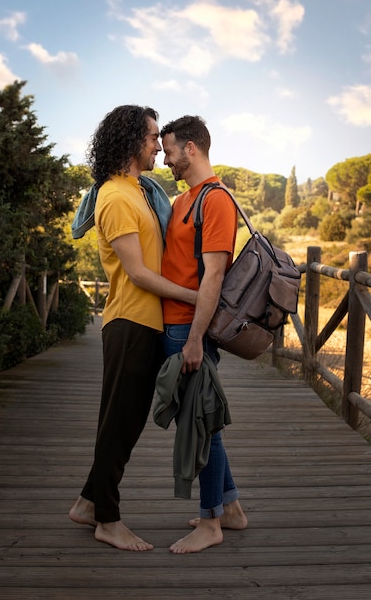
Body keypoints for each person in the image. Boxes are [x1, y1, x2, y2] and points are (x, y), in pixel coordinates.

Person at [69, 105, 197, 552]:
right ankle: (107, 519)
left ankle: (89, 502)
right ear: (129, 140)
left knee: (125, 421)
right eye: (151, 136)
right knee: (119, 423)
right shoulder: (116, 196)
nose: (158, 144)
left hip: (146, 322)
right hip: (129, 321)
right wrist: (195, 298)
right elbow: (139, 273)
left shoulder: (139, 191)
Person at [159, 115, 248, 554]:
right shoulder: (182, 200)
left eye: (170, 150)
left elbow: (213, 276)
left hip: (188, 328)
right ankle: (230, 509)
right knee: (202, 417)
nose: (165, 158)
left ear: (191, 148)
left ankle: (210, 522)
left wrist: (195, 339)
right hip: (174, 324)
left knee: (201, 424)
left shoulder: (214, 200)